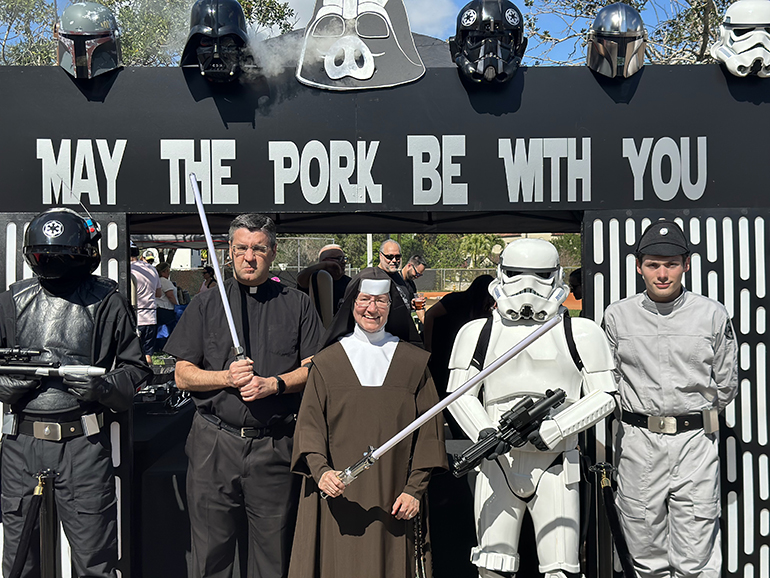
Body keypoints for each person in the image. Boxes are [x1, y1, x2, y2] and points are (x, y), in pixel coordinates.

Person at [446, 238, 618, 578]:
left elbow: (605, 396)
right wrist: (485, 432)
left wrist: (557, 427)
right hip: (497, 463)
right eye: (515, 273)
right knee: (493, 565)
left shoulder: (580, 333)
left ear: (555, 276)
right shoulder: (478, 333)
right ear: (500, 274)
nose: (528, 285)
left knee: (561, 568)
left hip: (557, 462)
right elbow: (459, 395)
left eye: (539, 275)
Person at [164, 213, 323, 578]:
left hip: (274, 445)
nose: (249, 257)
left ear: (272, 252)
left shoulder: (297, 304)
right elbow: (182, 376)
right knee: (210, 554)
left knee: (272, 555)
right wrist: (225, 377)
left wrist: (276, 384)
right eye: (241, 249)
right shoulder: (206, 305)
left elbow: (316, 368)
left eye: (258, 249)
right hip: (214, 444)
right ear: (230, 251)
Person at [0, 208, 150, 577]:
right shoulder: (12, 301)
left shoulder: (107, 300)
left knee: (94, 558)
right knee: (20, 558)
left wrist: (104, 386)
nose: (52, 262)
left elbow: (136, 369)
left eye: (61, 255)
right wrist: (6, 385)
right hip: (23, 439)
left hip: (82, 441)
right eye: (44, 255)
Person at [289, 269, 447, 578]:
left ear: (392, 305)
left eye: (380, 301)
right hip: (338, 499)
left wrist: (415, 490)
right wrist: (321, 473)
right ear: (351, 304)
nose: (372, 309)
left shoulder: (414, 363)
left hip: (396, 500)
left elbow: (430, 433)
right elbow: (309, 427)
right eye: (364, 300)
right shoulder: (327, 363)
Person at [603, 220, 738, 578]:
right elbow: (610, 380)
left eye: (671, 264)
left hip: (695, 442)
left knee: (696, 551)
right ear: (638, 266)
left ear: (686, 264)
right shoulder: (617, 317)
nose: (662, 274)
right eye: (653, 264)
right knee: (643, 547)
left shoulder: (712, 314)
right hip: (638, 443)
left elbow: (726, 384)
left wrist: (696, 420)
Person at [296, 244, 351, 315]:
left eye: (344, 259)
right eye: (339, 259)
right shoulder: (315, 278)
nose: (344, 262)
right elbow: (301, 278)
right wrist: (324, 265)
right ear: (325, 260)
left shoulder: (348, 282)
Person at [131, 244, 161, 363]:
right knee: (148, 354)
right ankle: (149, 377)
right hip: (151, 317)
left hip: (136, 317)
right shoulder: (151, 269)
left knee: (133, 355)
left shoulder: (128, 269)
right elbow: (158, 293)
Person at [377, 239, 411, 310]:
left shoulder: (397, 276)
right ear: (381, 256)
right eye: (390, 256)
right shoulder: (376, 277)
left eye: (397, 256)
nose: (394, 260)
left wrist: (411, 304)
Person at [155, 261, 178, 347]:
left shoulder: (156, 281)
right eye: (168, 271)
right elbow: (170, 295)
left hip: (158, 307)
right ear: (163, 272)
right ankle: (169, 346)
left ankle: (159, 346)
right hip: (166, 308)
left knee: (159, 329)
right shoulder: (164, 281)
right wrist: (177, 305)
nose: (169, 273)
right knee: (170, 328)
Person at [401, 255, 428, 322]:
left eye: (420, 275)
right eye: (416, 273)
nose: (417, 277)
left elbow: (414, 306)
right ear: (409, 266)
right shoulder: (394, 281)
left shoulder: (412, 285)